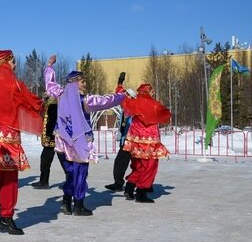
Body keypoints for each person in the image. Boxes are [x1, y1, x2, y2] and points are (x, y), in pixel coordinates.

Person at [0, 23, 43, 236]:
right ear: (6, 61)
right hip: (8, 140)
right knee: (10, 179)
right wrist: (44, 101)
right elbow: (33, 103)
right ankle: (5, 217)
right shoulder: (15, 83)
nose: (15, 65)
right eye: (13, 61)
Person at [44, 55, 125, 216]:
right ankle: (78, 205)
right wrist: (122, 96)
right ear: (75, 83)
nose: (85, 84)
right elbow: (106, 101)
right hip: (79, 143)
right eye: (83, 82)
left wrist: (49, 66)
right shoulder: (85, 100)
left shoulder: (60, 95)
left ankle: (67, 202)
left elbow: (50, 84)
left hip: (63, 142)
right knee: (80, 172)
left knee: (71, 173)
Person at [121, 83, 171, 203]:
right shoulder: (152, 104)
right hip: (149, 141)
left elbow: (124, 103)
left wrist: (121, 89)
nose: (153, 93)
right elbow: (164, 114)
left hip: (135, 141)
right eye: (152, 90)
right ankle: (141, 193)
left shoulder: (135, 102)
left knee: (139, 166)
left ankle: (130, 187)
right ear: (148, 91)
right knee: (149, 167)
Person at [30, 95, 58, 189]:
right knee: (45, 161)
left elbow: (52, 123)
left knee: (46, 161)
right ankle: (43, 181)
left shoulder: (53, 105)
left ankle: (44, 182)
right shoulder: (48, 105)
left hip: (51, 140)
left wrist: (49, 138)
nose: (44, 94)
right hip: (49, 139)